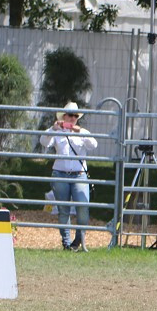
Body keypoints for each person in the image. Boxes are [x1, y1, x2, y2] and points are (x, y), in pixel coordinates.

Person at [40, 102, 96, 251]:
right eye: (70, 115)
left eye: (75, 116)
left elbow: (94, 144)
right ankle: (66, 242)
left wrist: (80, 132)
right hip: (60, 174)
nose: (72, 118)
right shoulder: (57, 131)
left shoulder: (82, 131)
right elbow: (44, 141)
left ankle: (77, 241)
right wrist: (53, 128)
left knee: (83, 209)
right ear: (64, 116)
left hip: (79, 175)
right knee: (63, 209)